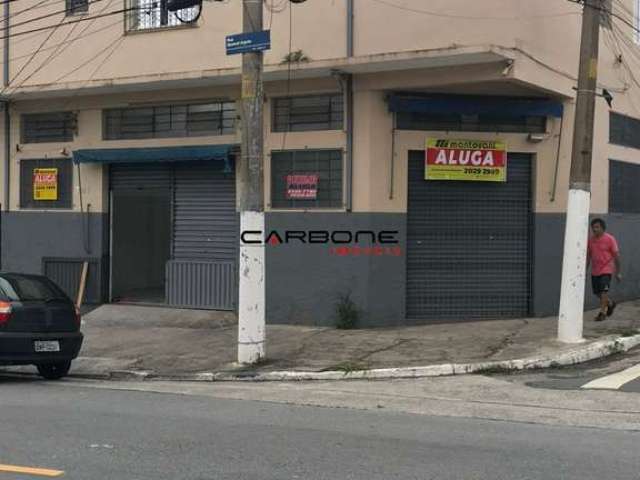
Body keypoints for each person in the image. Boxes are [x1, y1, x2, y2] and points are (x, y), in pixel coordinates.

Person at [587, 218, 622, 322]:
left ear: (603, 228)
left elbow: (616, 256)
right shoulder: (591, 240)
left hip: (606, 270)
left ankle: (602, 313)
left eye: (597, 227)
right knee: (597, 293)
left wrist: (618, 272)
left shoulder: (610, 239)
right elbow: (589, 256)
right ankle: (610, 303)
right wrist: (585, 270)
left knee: (603, 291)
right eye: (593, 227)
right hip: (595, 270)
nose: (594, 229)